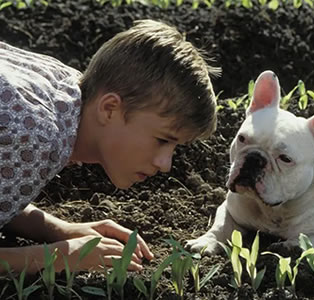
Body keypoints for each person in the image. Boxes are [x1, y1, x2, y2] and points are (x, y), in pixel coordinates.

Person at [0, 19, 220, 274]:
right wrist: (60, 257)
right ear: (109, 109)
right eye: (162, 140)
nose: (165, 163)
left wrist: (58, 229)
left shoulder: (63, 91)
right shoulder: (35, 135)